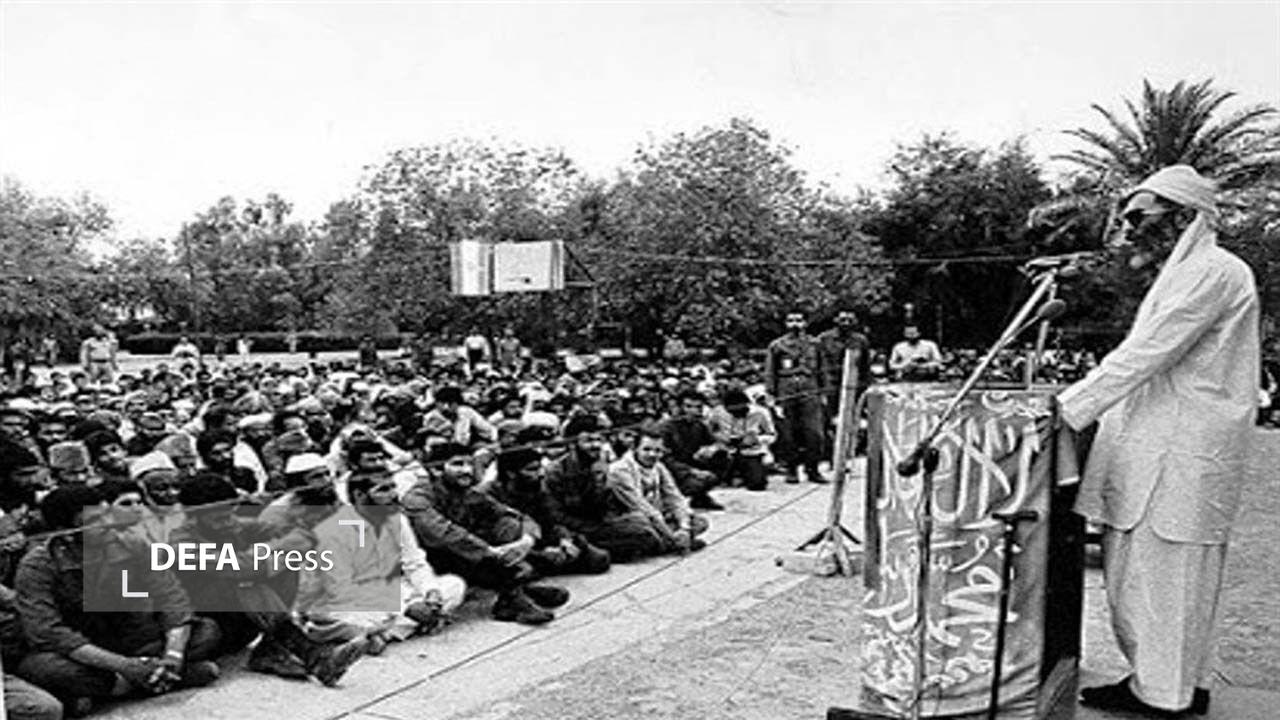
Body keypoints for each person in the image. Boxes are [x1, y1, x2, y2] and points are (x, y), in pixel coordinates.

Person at [1061, 166, 1256, 717]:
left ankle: (1165, 695)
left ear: (1181, 218)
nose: (1129, 229)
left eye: (1139, 217)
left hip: (1180, 452)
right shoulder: (1187, 273)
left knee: (1166, 577)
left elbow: (1147, 353)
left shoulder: (1212, 270)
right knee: (1150, 578)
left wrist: (1068, 410)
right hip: (1159, 448)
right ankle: (1164, 684)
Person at [400, 443, 569, 626]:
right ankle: (514, 595)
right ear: (436, 470)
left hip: (465, 554)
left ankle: (518, 590)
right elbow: (443, 534)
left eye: (470, 464)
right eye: (458, 464)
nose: (467, 470)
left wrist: (526, 541)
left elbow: (515, 516)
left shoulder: (468, 493)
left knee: (508, 526)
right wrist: (490, 551)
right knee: (476, 554)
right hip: (428, 561)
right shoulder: (417, 498)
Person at [606, 426, 708, 554]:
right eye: (647, 449)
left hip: (657, 516)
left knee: (699, 522)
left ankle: (670, 542)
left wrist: (684, 528)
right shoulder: (620, 469)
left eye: (658, 450)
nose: (653, 455)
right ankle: (671, 543)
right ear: (634, 448)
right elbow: (639, 505)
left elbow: (674, 497)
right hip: (630, 516)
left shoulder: (659, 466)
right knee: (642, 528)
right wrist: (670, 534)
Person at [764, 310, 827, 484]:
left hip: (810, 389)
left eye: (799, 320)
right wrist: (770, 393)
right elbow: (770, 371)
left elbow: (822, 369)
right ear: (786, 323)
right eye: (791, 320)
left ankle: (812, 469)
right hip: (786, 389)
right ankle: (791, 469)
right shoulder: (777, 345)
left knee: (814, 432)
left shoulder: (815, 344)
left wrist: (824, 392)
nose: (795, 324)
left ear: (805, 323)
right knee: (787, 432)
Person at [659, 391, 723, 510]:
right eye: (688, 406)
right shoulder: (666, 428)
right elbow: (664, 458)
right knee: (696, 483)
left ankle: (700, 498)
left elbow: (714, 442)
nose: (693, 410)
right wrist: (692, 471)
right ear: (680, 407)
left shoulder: (699, 425)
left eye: (698, 407)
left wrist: (710, 449)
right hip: (674, 470)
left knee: (722, 457)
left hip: (693, 462)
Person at [706, 388, 776, 491]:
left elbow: (772, 435)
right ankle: (732, 475)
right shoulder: (717, 412)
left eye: (739, 411)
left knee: (757, 485)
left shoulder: (761, 412)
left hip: (751, 451)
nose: (736, 414)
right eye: (732, 412)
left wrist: (756, 439)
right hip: (727, 449)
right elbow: (708, 429)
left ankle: (743, 475)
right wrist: (720, 437)